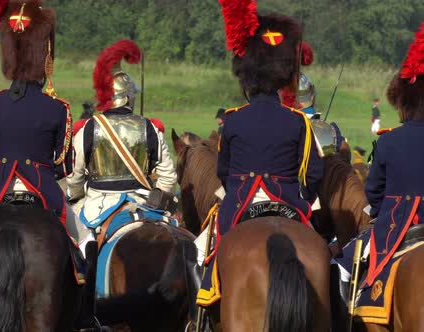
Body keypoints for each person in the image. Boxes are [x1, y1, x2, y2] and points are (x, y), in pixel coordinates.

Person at [197, 0, 324, 306]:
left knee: (203, 253)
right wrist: (301, 194)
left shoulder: (233, 119)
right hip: (289, 201)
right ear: (281, 78)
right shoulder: (299, 121)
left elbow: (223, 171)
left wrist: (237, 187)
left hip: (240, 201)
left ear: (248, 77)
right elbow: (313, 173)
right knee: (323, 256)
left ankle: (201, 311)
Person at [332, 22, 424, 317]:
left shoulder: (388, 142)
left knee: (341, 269)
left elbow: (373, 193)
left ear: (404, 103)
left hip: (400, 225)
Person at [66, 40, 177, 248]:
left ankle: (82, 275)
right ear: (128, 98)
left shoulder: (89, 128)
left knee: (75, 245)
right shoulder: (150, 128)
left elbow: (75, 176)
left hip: (97, 208)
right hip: (144, 204)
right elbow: (169, 178)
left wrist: (75, 195)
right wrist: (156, 198)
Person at [0, 0, 72, 225]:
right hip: (43, 194)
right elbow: (64, 167)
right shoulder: (58, 108)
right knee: (85, 240)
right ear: (45, 58)